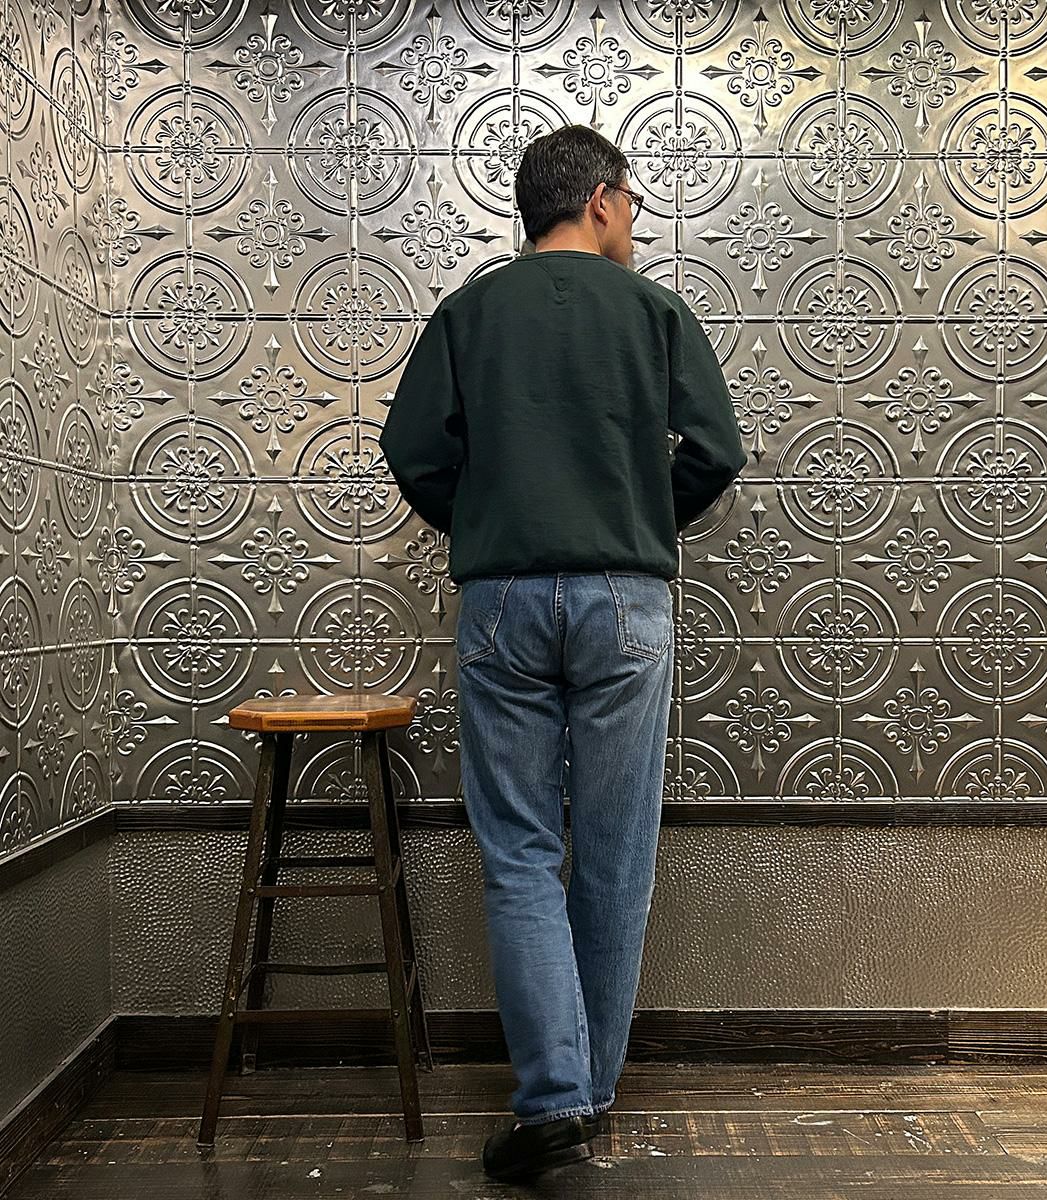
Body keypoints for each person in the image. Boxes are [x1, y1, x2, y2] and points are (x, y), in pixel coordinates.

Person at [379, 123, 747, 1183]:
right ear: (599, 199)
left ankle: (553, 1098)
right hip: (626, 597)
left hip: (501, 597)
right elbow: (717, 451)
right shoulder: (654, 311)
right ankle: (589, 1096)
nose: (634, 223)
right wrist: (639, 512)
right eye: (631, 204)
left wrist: (487, 520)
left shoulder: (470, 311)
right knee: (618, 850)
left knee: (520, 851)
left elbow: (412, 451)